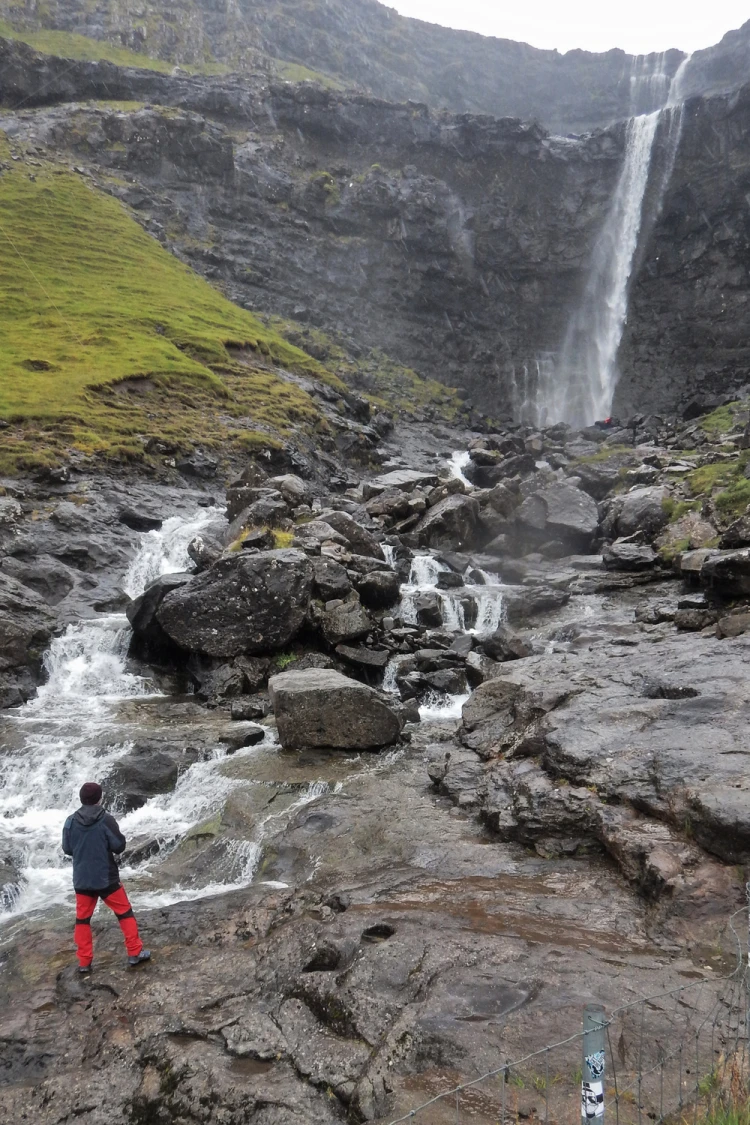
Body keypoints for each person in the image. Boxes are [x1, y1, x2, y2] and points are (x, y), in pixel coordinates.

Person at [62, 782, 150, 973]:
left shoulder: (70, 821)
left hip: (82, 879)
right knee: (124, 912)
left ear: (80, 798)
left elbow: (67, 849)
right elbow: (119, 846)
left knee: (82, 920)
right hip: (106, 878)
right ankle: (135, 953)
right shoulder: (106, 819)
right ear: (100, 799)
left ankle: (84, 963)